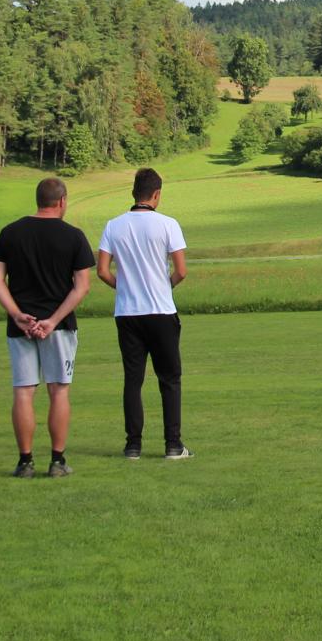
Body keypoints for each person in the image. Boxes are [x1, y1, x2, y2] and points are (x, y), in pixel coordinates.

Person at [0, 177, 94, 478]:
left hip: (21, 326)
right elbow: (82, 287)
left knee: (23, 392)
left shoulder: (10, 233)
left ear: (38, 199)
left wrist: (17, 314)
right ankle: (57, 461)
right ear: (62, 201)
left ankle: (25, 462)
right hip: (58, 327)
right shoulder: (74, 236)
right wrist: (53, 320)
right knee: (58, 391)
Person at [98, 167, 191, 460]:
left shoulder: (113, 226)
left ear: (133, 193)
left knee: (133, 379)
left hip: (128, 313)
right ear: (157, 194)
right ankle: (173, 444)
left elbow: (102, 271)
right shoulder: (168, 224)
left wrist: (124, 287)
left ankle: (133, 445)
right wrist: (164, 287)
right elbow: (181, 271)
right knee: (170, 379)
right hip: (161, 311)